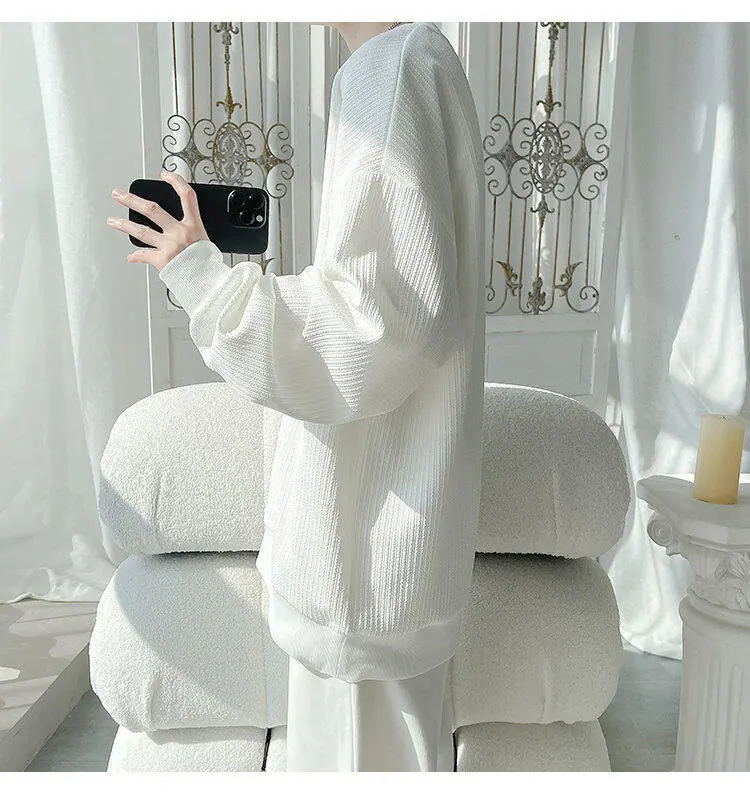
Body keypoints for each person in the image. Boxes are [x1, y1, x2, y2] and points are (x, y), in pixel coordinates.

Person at [106, 20, 485, 772]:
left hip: (363, 567)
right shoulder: (413, 62)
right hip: (390, 559)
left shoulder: (392, 68)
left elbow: (378, 326)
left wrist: (203, 278)